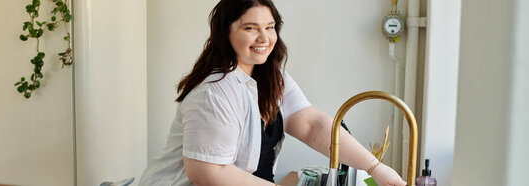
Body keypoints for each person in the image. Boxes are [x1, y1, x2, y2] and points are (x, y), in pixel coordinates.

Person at [139, 0, 407, 185]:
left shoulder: (270, 75)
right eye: (250, 28)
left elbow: (312, 125)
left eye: (269, 27)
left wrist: (376, 168)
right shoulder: (215, 92)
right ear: (226, 33)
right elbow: (208, 173)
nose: (264, 38)